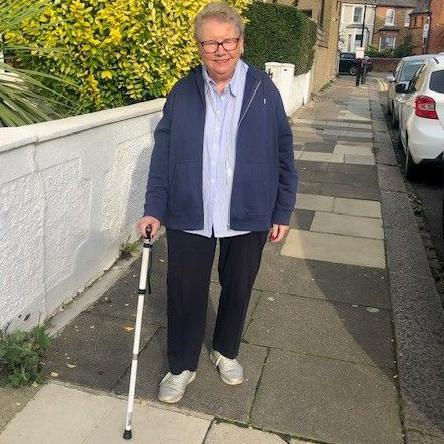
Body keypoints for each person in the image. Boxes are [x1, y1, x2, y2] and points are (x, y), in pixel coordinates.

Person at [138, 1, 297, 404]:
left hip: (249, 211)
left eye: (227, 41)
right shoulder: (183, 91)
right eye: (210, 43)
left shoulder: (264, 90)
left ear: (241, 43)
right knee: (184, 289)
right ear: (199, 48)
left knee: (239, 285)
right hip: (192, 210)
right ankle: (181, 365)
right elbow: (163, 153)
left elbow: (283, 152)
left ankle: (225, 350)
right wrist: (154, 208)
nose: (220, 50)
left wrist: (282, 209)